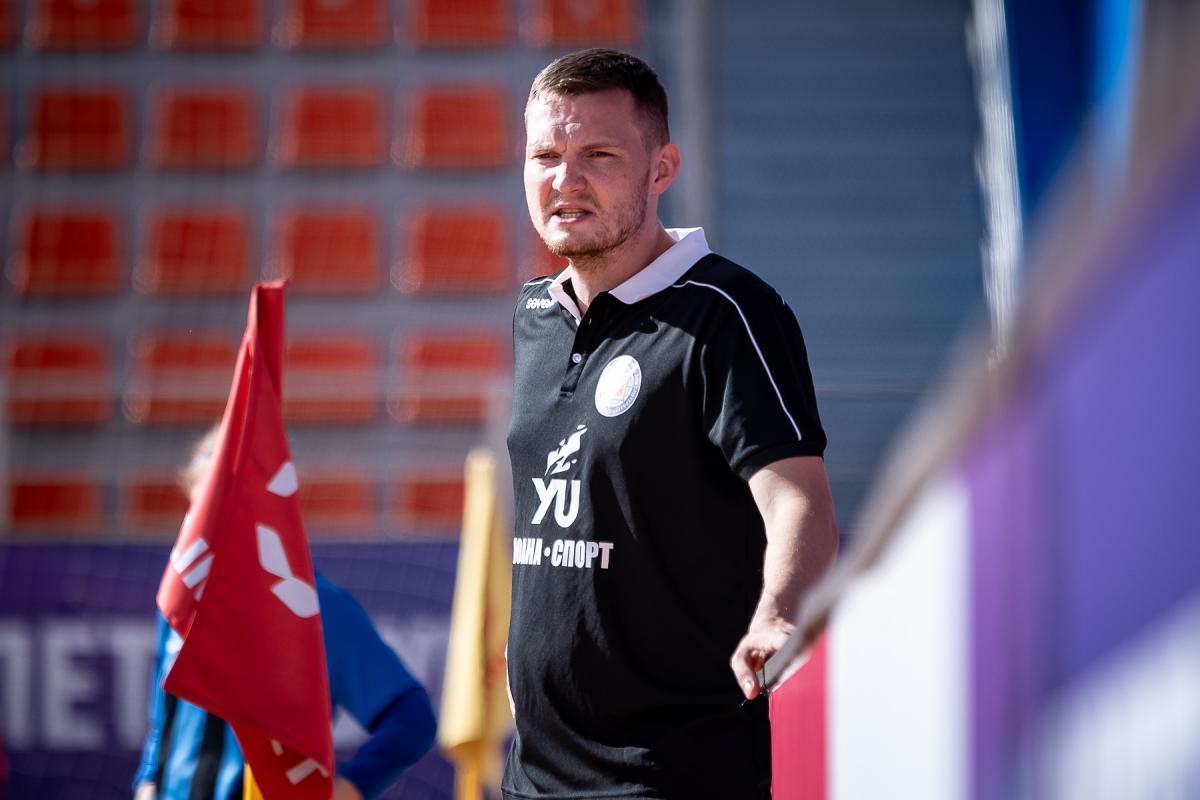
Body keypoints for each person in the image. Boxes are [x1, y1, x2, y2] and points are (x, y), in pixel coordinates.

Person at [505, 48, 839, 799]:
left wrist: (779, 613)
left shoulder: (730, 313)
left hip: (676, 776)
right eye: (545, 156)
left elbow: (801, 502)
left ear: (662, 169)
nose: (565, 180)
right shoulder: (532, 314)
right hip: (532, 778)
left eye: (598, 155)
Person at [134, 429, 438, 800]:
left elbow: (412, 719)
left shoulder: (313, 607)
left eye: (232, 502)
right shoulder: (181, 597)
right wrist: (148, 782)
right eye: (206, 510)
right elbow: (163, 720)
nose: (215, 523)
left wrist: (349, 787)